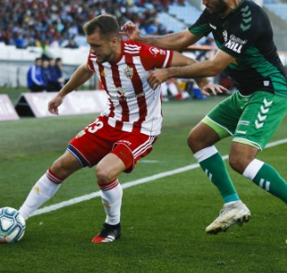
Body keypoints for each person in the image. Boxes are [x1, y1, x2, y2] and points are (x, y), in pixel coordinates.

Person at [122, 0, 287, 245]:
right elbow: (184, 38)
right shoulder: (215, 11)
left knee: (240, 159)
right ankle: (232, 204)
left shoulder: (249, 19)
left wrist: (169, 73)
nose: (204, 3)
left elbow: (216, 64)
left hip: (270, 90)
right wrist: (143, 39)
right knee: (198, 139)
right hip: (246, 92)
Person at [11, 14, 213, 243]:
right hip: (110, 120)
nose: (92, 50)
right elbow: (85, 69)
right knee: (61, 165)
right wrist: (62, 94)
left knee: (104, 171)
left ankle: (112, 225)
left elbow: (188, 62)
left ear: (114, 41)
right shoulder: (97, 55)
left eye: (96, 45)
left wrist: (203, 82)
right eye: (89, 45)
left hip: (142, 128)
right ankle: (20, 217)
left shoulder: (142, 54)